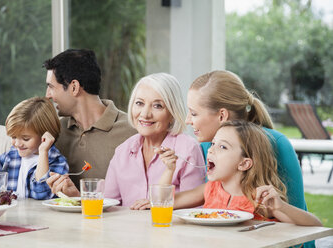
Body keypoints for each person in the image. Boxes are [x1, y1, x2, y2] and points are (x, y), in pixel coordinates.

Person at [158, 120, 322, 226]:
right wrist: (170, 169)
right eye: (213, 144)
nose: (211, 151)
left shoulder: (259, 199)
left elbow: (316, 225)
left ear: (244, 163)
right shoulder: (211, 189)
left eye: (223, 147)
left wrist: (281, 207)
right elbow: (165, 202)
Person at [186, 70, 307, 211]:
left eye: (193, 113)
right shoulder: (207, 146)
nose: (187, 120)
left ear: (222, 116)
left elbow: (298, 215)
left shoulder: (277, 143)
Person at [104, 73, 206, 209]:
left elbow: (193, 211)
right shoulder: (122, 150)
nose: (145, 114)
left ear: (172, 113)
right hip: (126, 229)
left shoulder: (188, 149)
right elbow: (108, 205)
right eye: (139, 103)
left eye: (157, 106)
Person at [44, 49, 136, 195]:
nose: (47, 95)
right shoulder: (55, 132)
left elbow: (137, 195)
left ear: (74, 87)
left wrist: (80, 198)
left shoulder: (132, 131)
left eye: (51, 87)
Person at [0, 97, 68, 200]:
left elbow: (42, 193)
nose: (18, 144)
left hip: (43, 216)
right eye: (14, 137)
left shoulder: (58, 162)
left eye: (25, 138)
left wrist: (43, 151)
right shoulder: (10, 157)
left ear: (45, 135)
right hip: (13, 215)